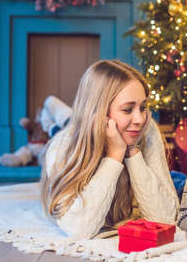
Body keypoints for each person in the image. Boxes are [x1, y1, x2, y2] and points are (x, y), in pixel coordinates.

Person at [40, 60, 179, 240]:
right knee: (62, 125)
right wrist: (114, 155)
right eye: (128, 109)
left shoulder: (146, 128)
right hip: (75, 132)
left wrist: (131, 151)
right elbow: (80, 230)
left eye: (143, 107)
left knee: (70, 119)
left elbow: (166, 220)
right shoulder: (62, 146)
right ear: (100, 113)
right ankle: (50, 107)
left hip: (89, 123)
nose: (139, 118)